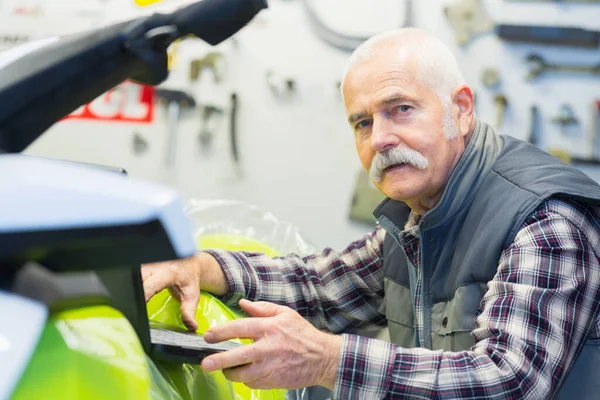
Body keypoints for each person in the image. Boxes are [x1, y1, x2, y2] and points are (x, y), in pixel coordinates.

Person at [142, 28, 600, 399]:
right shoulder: (417, 218)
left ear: (460, 111)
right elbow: (322, 289)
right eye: (363, 122)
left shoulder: (545, 220)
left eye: (400, 109)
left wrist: (327, 360)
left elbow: (508, 381)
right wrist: (204, 266)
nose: (380, 138)